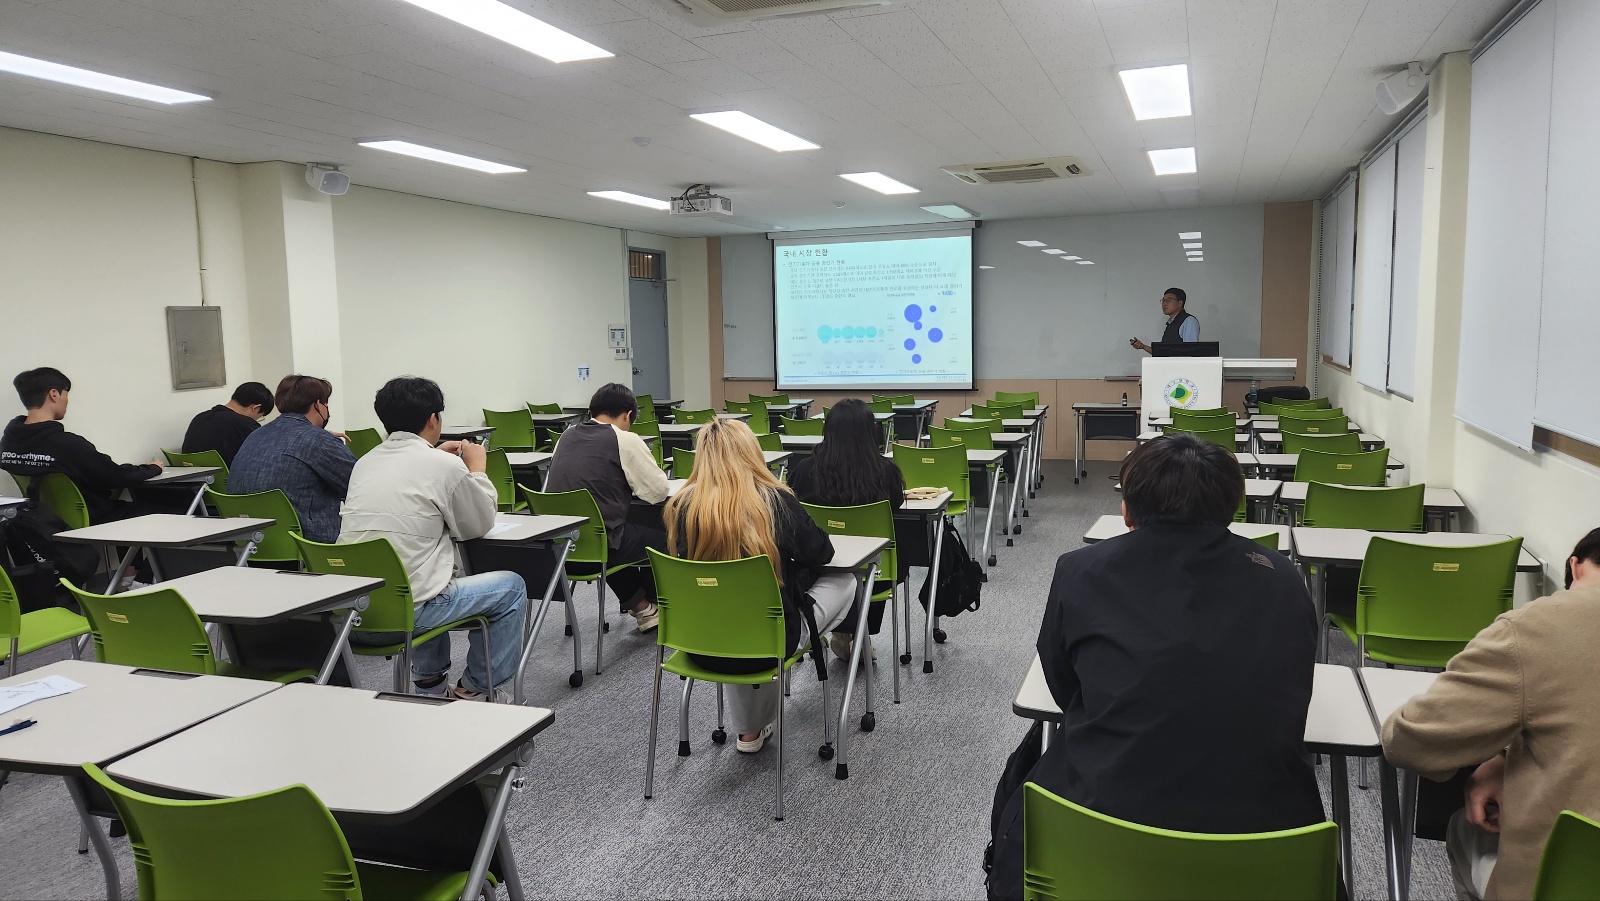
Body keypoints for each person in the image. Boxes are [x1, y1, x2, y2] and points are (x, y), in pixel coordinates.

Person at [988, 434, 1324, 898]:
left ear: (1127, 511)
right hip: (1271, 851)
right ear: (1231, 509)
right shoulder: (1284, 578)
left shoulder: (1080, 570)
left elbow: (1063, 684)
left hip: (1093, 842)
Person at [1382, 527, 1600, 901]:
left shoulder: (1536, 626)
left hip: (1569, 885)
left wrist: (1499, 752)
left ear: (1575, 567)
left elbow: (1410, 740)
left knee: (1465, 829)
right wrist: (1503, 757)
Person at [663, 418, 855, 753]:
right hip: (769, 644)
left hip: (699, 645)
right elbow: (821, 552)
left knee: (733, 614)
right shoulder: (774, 501)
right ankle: (847, 646)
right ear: (752, 453)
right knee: (845, 580)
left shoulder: (681, 506)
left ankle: (750, 731)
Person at [337, 376, 526, 702]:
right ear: (433, 419)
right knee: (510, 589)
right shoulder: (443, 466)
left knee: (426, 566)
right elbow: (478, 523)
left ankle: (431, 687)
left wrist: (439, 458)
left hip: (353, 612)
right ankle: (475, 690)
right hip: (405, 614)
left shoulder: (364, 463)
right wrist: (477, 470)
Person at [786, 398, 904, 663]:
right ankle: (858, 633)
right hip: (877, 572)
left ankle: (843, 632)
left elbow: (795, 514)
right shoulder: (886, 472)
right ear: (871, 432)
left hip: (817, 568)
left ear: (828, 431)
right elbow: (896, 506)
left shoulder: (804, 471)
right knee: (884, 552)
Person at [543, 383, 669, 631]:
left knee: (611, 531)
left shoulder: (566, 436)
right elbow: (658, 491)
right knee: (667, 536)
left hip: (561, 548)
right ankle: (658, 606)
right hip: (601, 546)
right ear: (628, 415)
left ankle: (643, 607)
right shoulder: (624, 438)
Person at [1, 367, 164, 523]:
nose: (67, 400)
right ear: (54, 394)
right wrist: (152, 468)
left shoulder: (8, 443)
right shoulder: (65, 444)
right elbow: (115, 476)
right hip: (92, 519)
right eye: (66, 394)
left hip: (43, 521)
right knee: (167, 510)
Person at [228, 374, 354, 543]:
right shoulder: (320, 441)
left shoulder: (255, 435)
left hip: (251, 543)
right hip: (308, 546)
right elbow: (360, 487)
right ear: (318, 405)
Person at [181, 381, 275, 465]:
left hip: (195, 478)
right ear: (256, 408)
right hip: (230, 478)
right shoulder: (246, 425)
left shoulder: (199, 418)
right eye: (260, 417)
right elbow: (264, 459)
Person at [1129, 287, 1198, 353]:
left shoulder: (1189, 321)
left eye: (1169, 300)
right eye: (1163, 300)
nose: (1164, 304)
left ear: (1180, 303)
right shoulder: (1170, 324)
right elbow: (1162, 353)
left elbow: (1190, 351)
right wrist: (1143, 346)